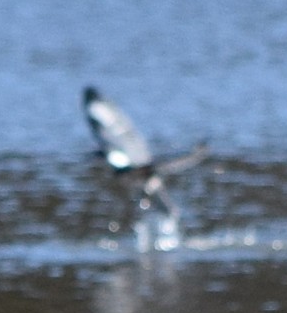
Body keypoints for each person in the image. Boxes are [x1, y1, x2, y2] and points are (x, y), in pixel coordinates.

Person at [83, 86, 207, 222]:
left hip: (140, 168)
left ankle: (168, 224)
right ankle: (165, 224)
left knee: (165, 207)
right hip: (137, 167)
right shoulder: (101, 112)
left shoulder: (97, 111)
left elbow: (114, 143)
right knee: (159, 205)